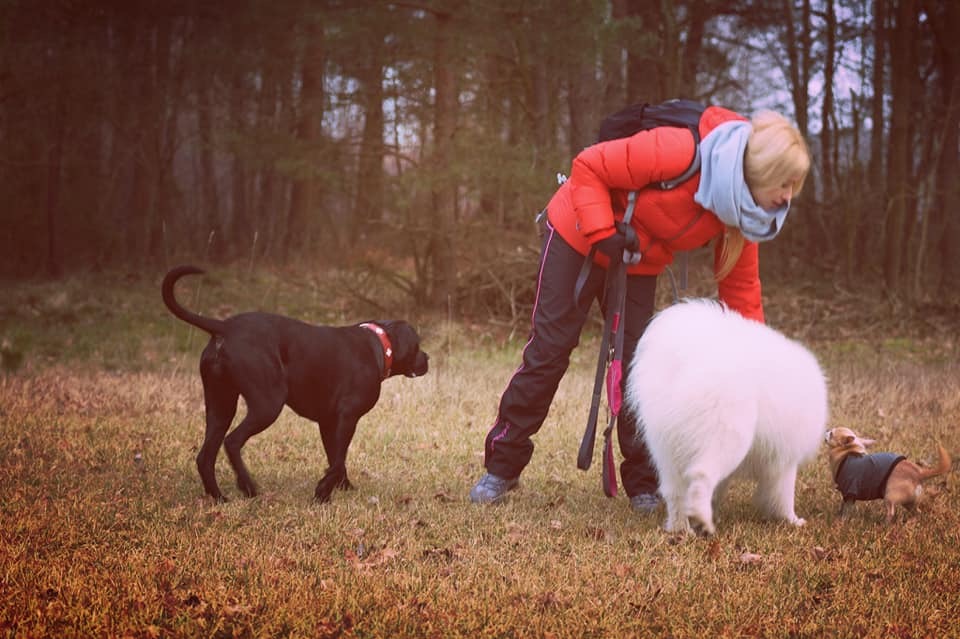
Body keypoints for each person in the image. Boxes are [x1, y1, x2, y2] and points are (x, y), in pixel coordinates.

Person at [469, 105, 811, 510]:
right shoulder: (681, 151)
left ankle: (644, 483)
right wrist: (602, 233)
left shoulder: (742, 213)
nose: (788, 197)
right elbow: (589, 166)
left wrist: (758, 368)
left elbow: (742, 292)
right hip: (577, 235)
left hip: (635, 259)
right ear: (763, 171)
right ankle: (502, 468)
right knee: (550, 351)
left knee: (640, 367)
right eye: (786, 183)